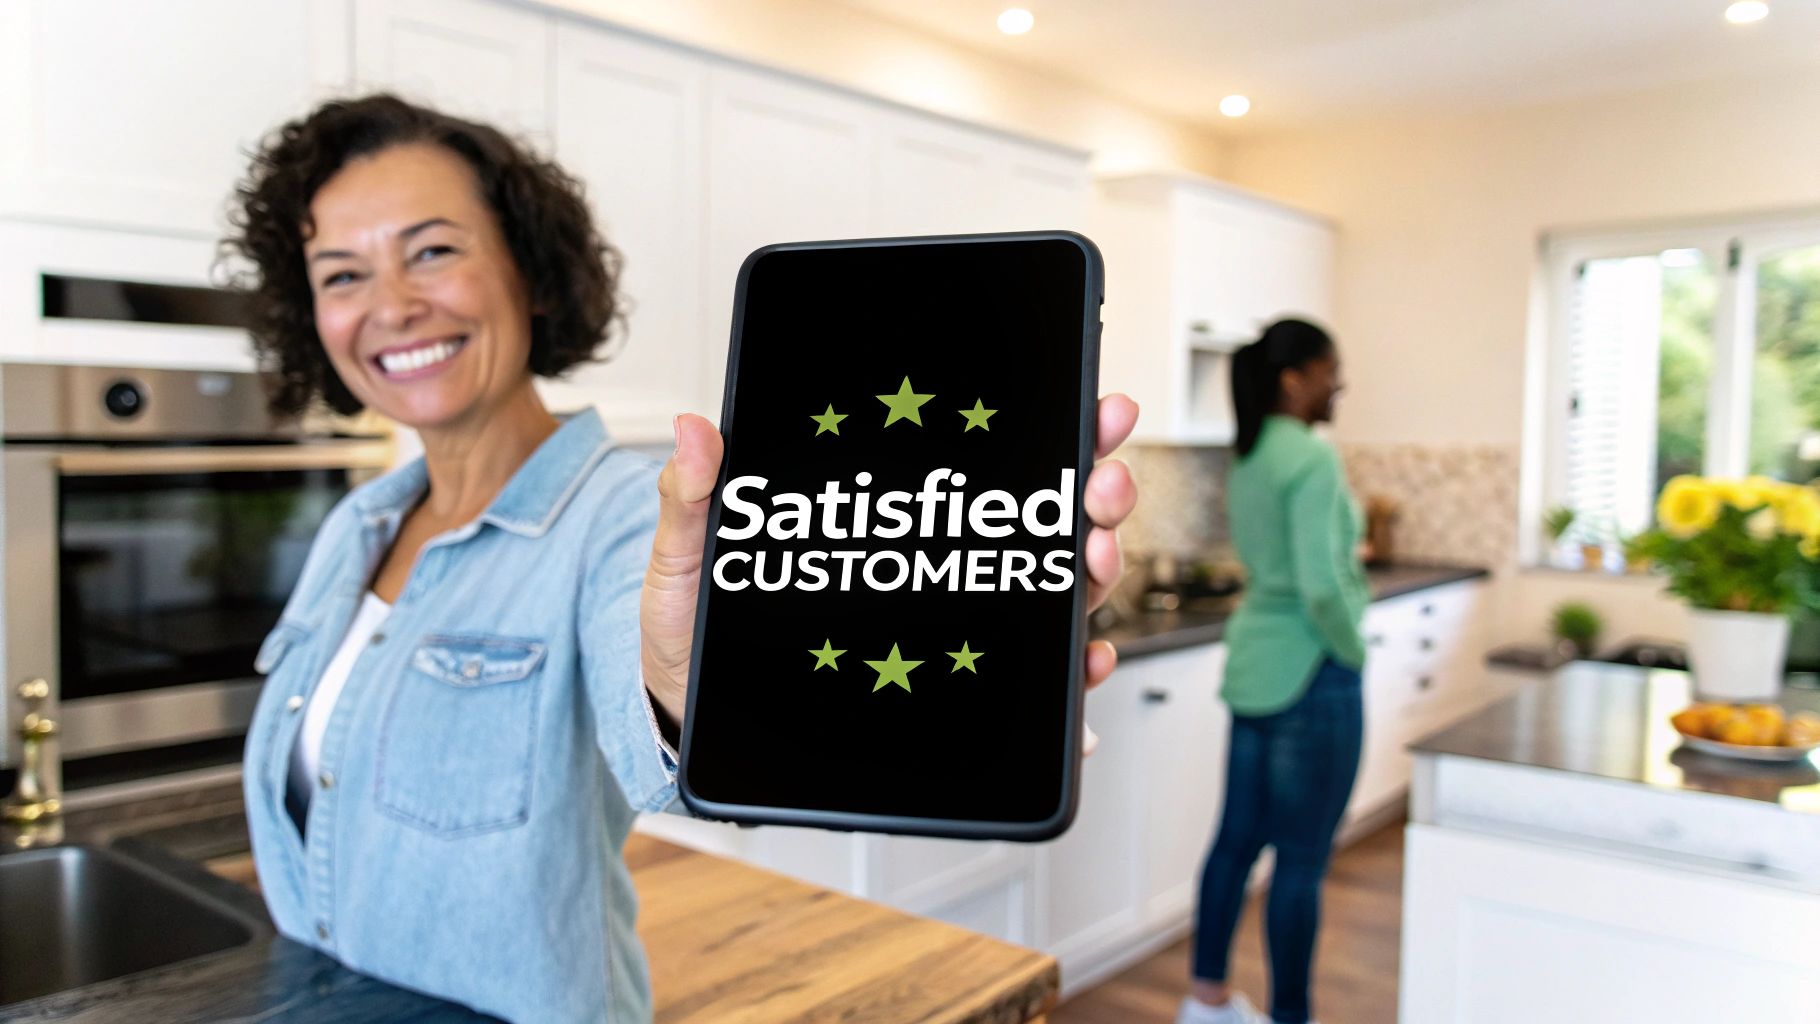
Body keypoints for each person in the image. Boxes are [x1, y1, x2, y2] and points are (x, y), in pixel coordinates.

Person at [225, 93, 1140, 1024]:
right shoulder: (357, 526)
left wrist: (694, 685)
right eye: (341, 275)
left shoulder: (630, 514)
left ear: (530, 272)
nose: (391, 306)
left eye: (433, 250)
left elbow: (670, 733)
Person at [1177, 319, 1366, 1024]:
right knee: (1302, 858)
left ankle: (1206, 1001)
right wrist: (1353, 647)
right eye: (1329, 369)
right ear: (1295, 377)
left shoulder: (1251, 450)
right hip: (1314, 667)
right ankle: (1292, 1017)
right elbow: (1321, 583)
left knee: (1234, 841)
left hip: (1256, 660)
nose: (1337, 384)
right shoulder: (1312, 458)